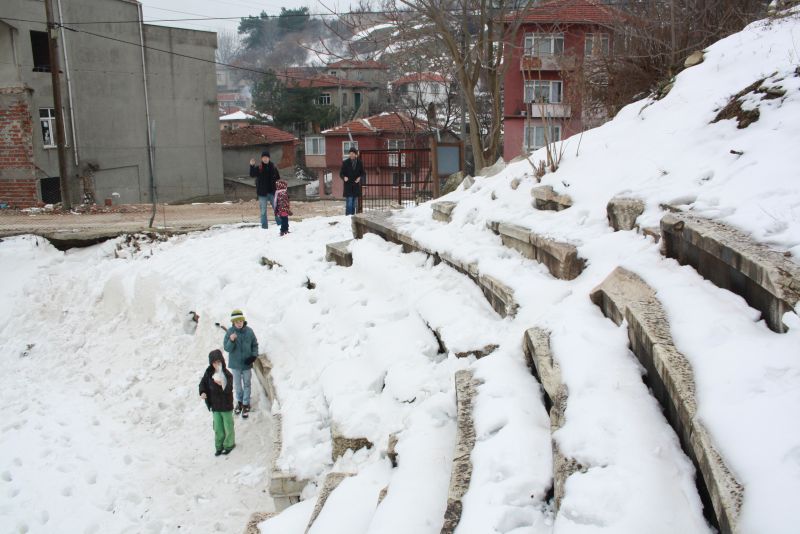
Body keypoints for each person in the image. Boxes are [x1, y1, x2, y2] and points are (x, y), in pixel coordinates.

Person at [198, 349, 235, 456]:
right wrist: (203, 392)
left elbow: (228, 389)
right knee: (218, 428)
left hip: (226, 405)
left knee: (228, 427)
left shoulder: (227, 374)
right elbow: (202, 384)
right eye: (214, 363)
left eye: (218, 362)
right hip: (215, 406)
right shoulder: (208, 373)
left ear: (222, 362)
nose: (216, 365)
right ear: (211, 363)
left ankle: (229, 445)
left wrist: (221, 384)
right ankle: (219, 446)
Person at [223, 309, 258, 418]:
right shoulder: (230, 332)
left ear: (243, 321)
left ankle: (246, 403)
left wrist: (253, 356)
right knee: (238, 385)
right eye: (236, 321)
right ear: (233, 322)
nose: (239, 323)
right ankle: (239, 402)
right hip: (235, 365)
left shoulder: (249, 331)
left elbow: (255, 345)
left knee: (247, 384)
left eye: (240, 321)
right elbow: (227, 348)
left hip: (247, 363)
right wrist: (232, 340)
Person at [249, 150, 280, 229]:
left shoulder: (273, 167)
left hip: (273, 193)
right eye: (263, 157)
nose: (265, 159)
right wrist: (252, 166)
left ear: (269, 158)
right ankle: (264, 228)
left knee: (277, 209)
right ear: (261, 158)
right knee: (263, 212)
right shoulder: (259, 168)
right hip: (262, 194)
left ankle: (280, 225)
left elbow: (278, 178)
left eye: (266, 157)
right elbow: (252, 174)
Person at [339, 147, 365, 215]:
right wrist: (344, 177)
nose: (351, 155)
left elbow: (363, 173)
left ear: (355, 154)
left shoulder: (359, 162)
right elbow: (341, 173)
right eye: (350, 153)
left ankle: (352, 217)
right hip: (348, 185)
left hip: (356, 186)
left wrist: (359, 177)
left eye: (353, 153)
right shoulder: (345, 162)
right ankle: (347, 217)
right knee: (349, 202)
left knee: (354, 204)